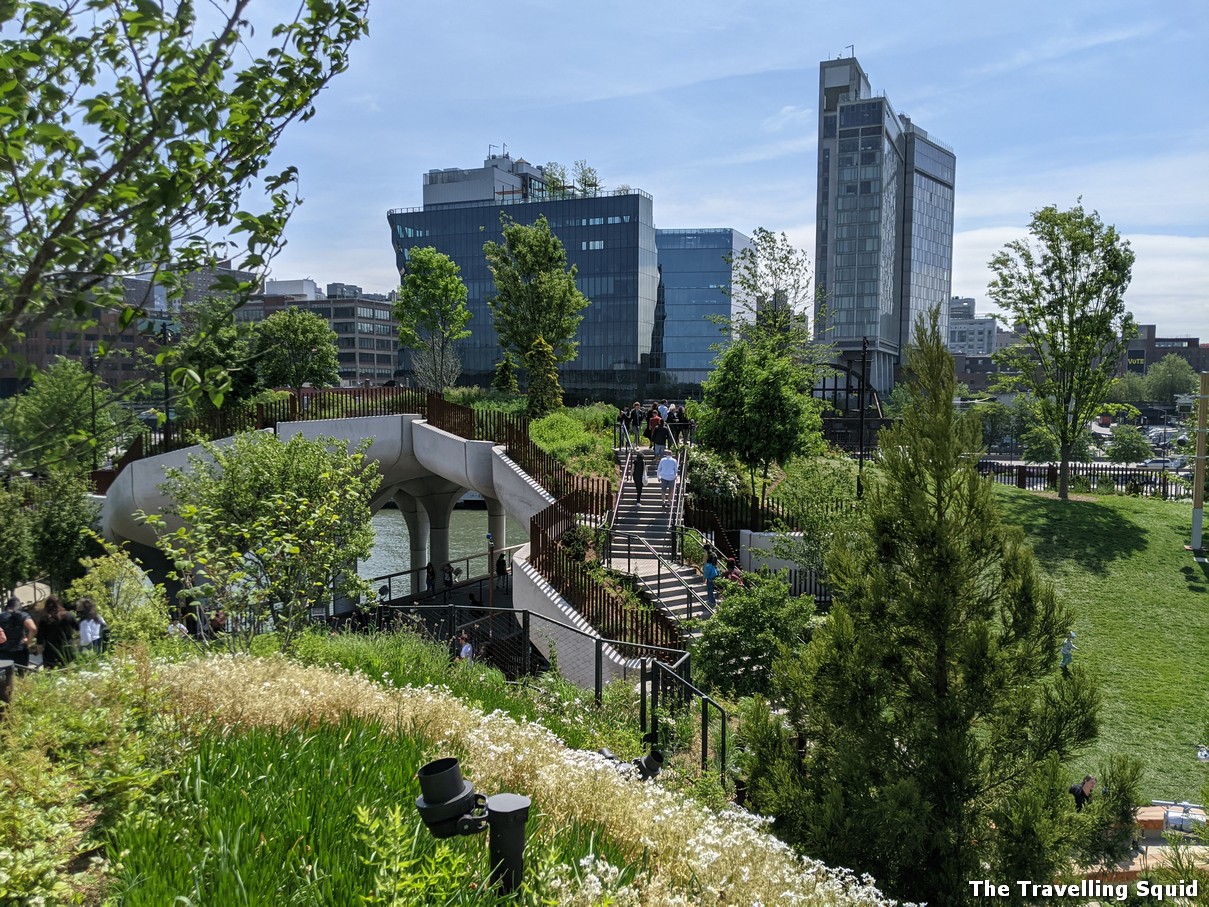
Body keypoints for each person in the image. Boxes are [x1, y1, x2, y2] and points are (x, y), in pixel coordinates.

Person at [38, 595, 79, 669]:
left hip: (51, 652)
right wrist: (77, 642)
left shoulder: (44, 619)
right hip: (68, 649)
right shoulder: (69, 615)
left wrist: (40, 652)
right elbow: (79, 629)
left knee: (52, 675)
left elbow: (40, 639)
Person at [0, 595, 36, 668]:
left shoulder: (1, 616)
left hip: (4, 650)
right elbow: (33, 629)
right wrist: (29, 642)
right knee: (22, 674)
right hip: (21, 649)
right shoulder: (23, 615)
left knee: (6, 675)